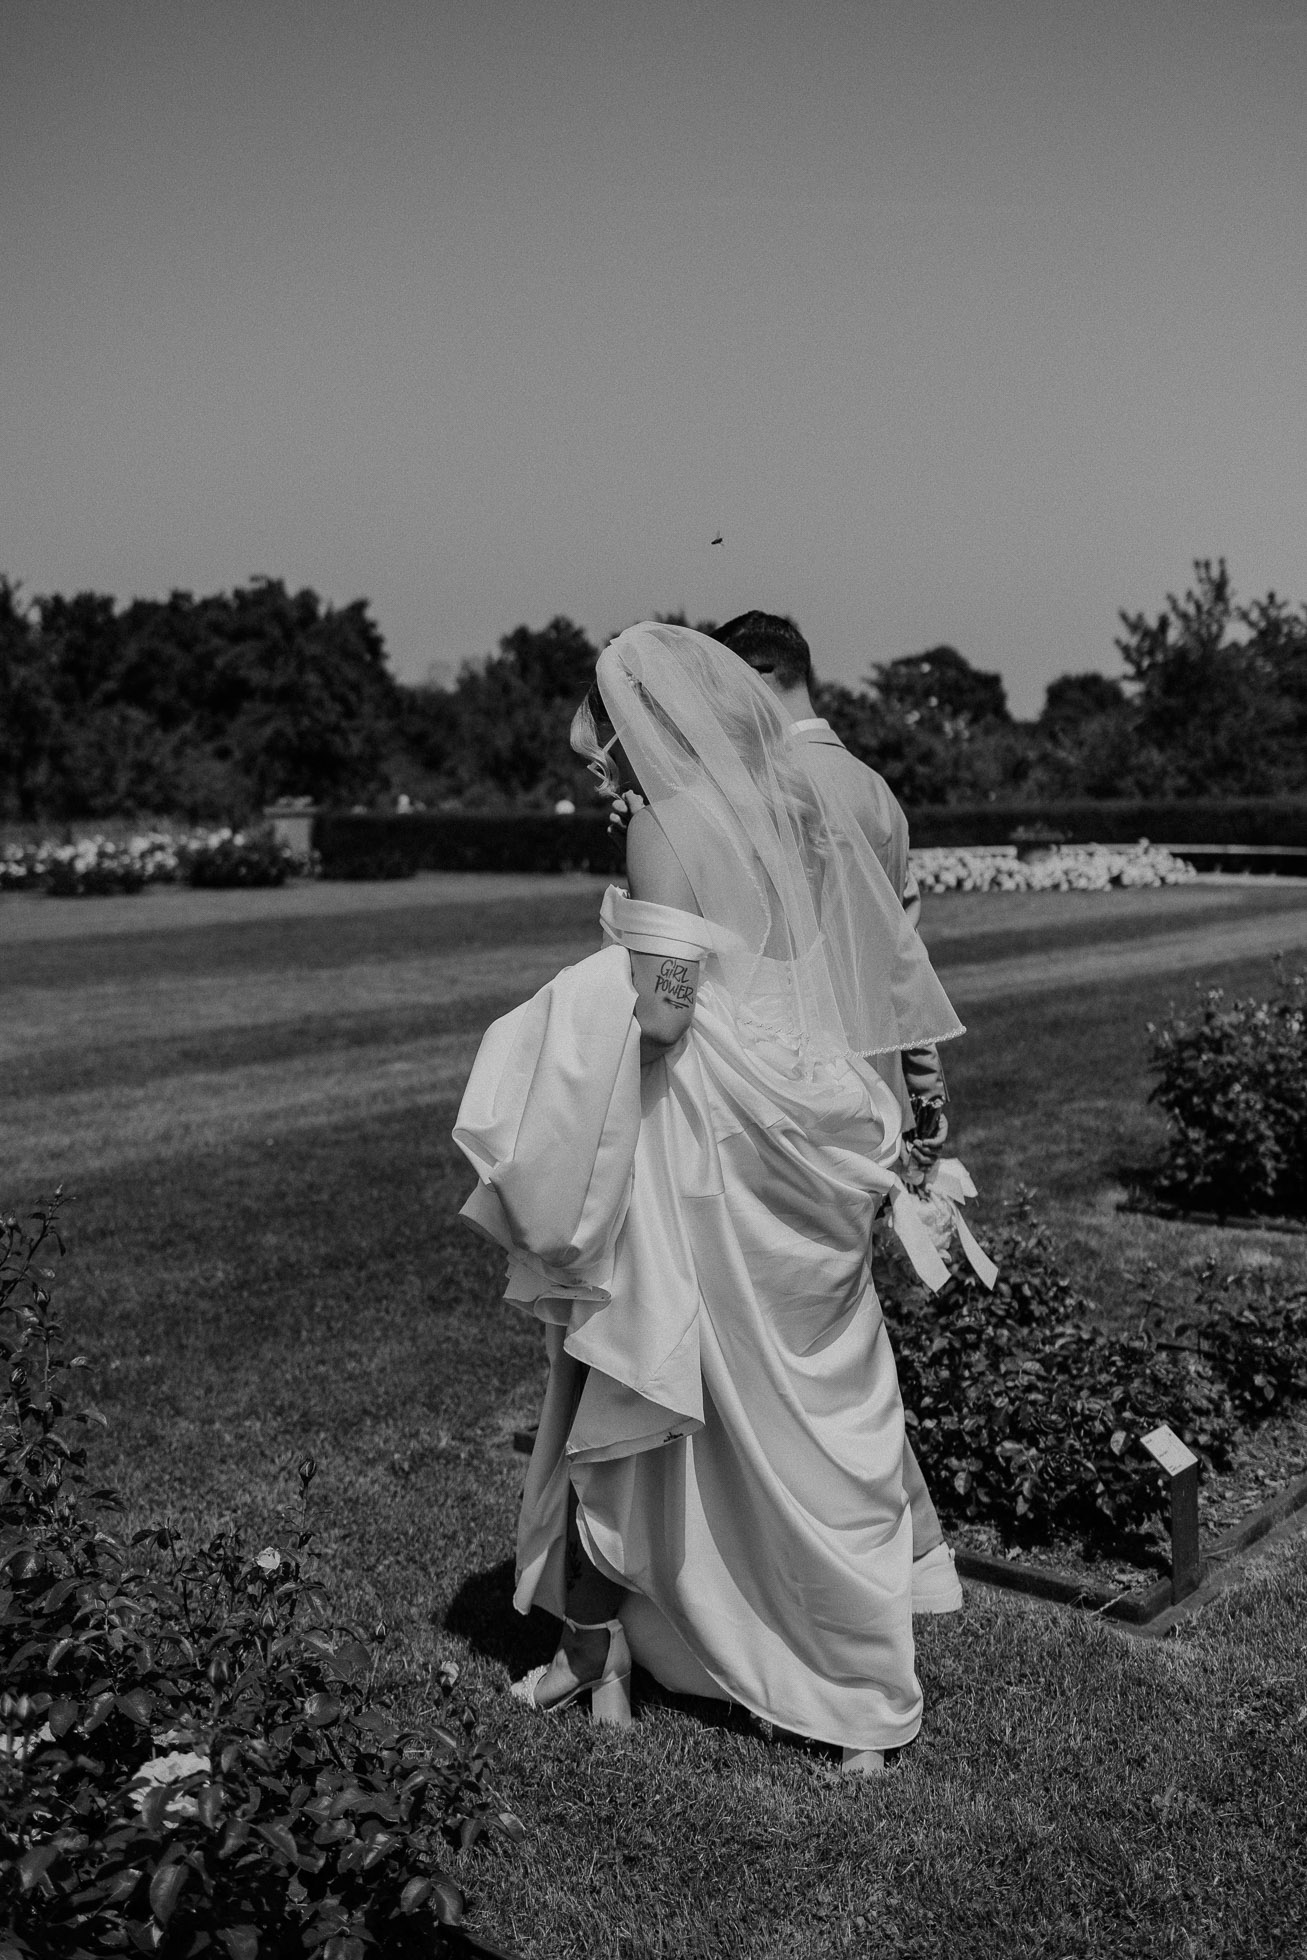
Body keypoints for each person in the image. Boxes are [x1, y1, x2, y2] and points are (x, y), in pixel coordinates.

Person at [453, 622, 989, 1775]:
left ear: (647, 730)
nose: (600, 776)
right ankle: (846, 1683)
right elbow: (816, 976)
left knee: (634, 1381)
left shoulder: (666, 824)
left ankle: (607, 1649)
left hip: (710, 1144)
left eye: (602, 750)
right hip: (813, 1127)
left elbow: (661, 1014)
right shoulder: (793, 814)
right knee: (818, 1417)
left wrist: (554, 1038)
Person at [710, 610, 962, 1609]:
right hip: (872, 1096)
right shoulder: (875, 790)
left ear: (761, 675)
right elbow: (904, 963)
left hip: (790, 1091)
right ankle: (897, 1550)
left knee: (802, 1342)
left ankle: (848, 1555)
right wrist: (924, 1098)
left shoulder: (765, 789)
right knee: (837, 1329)